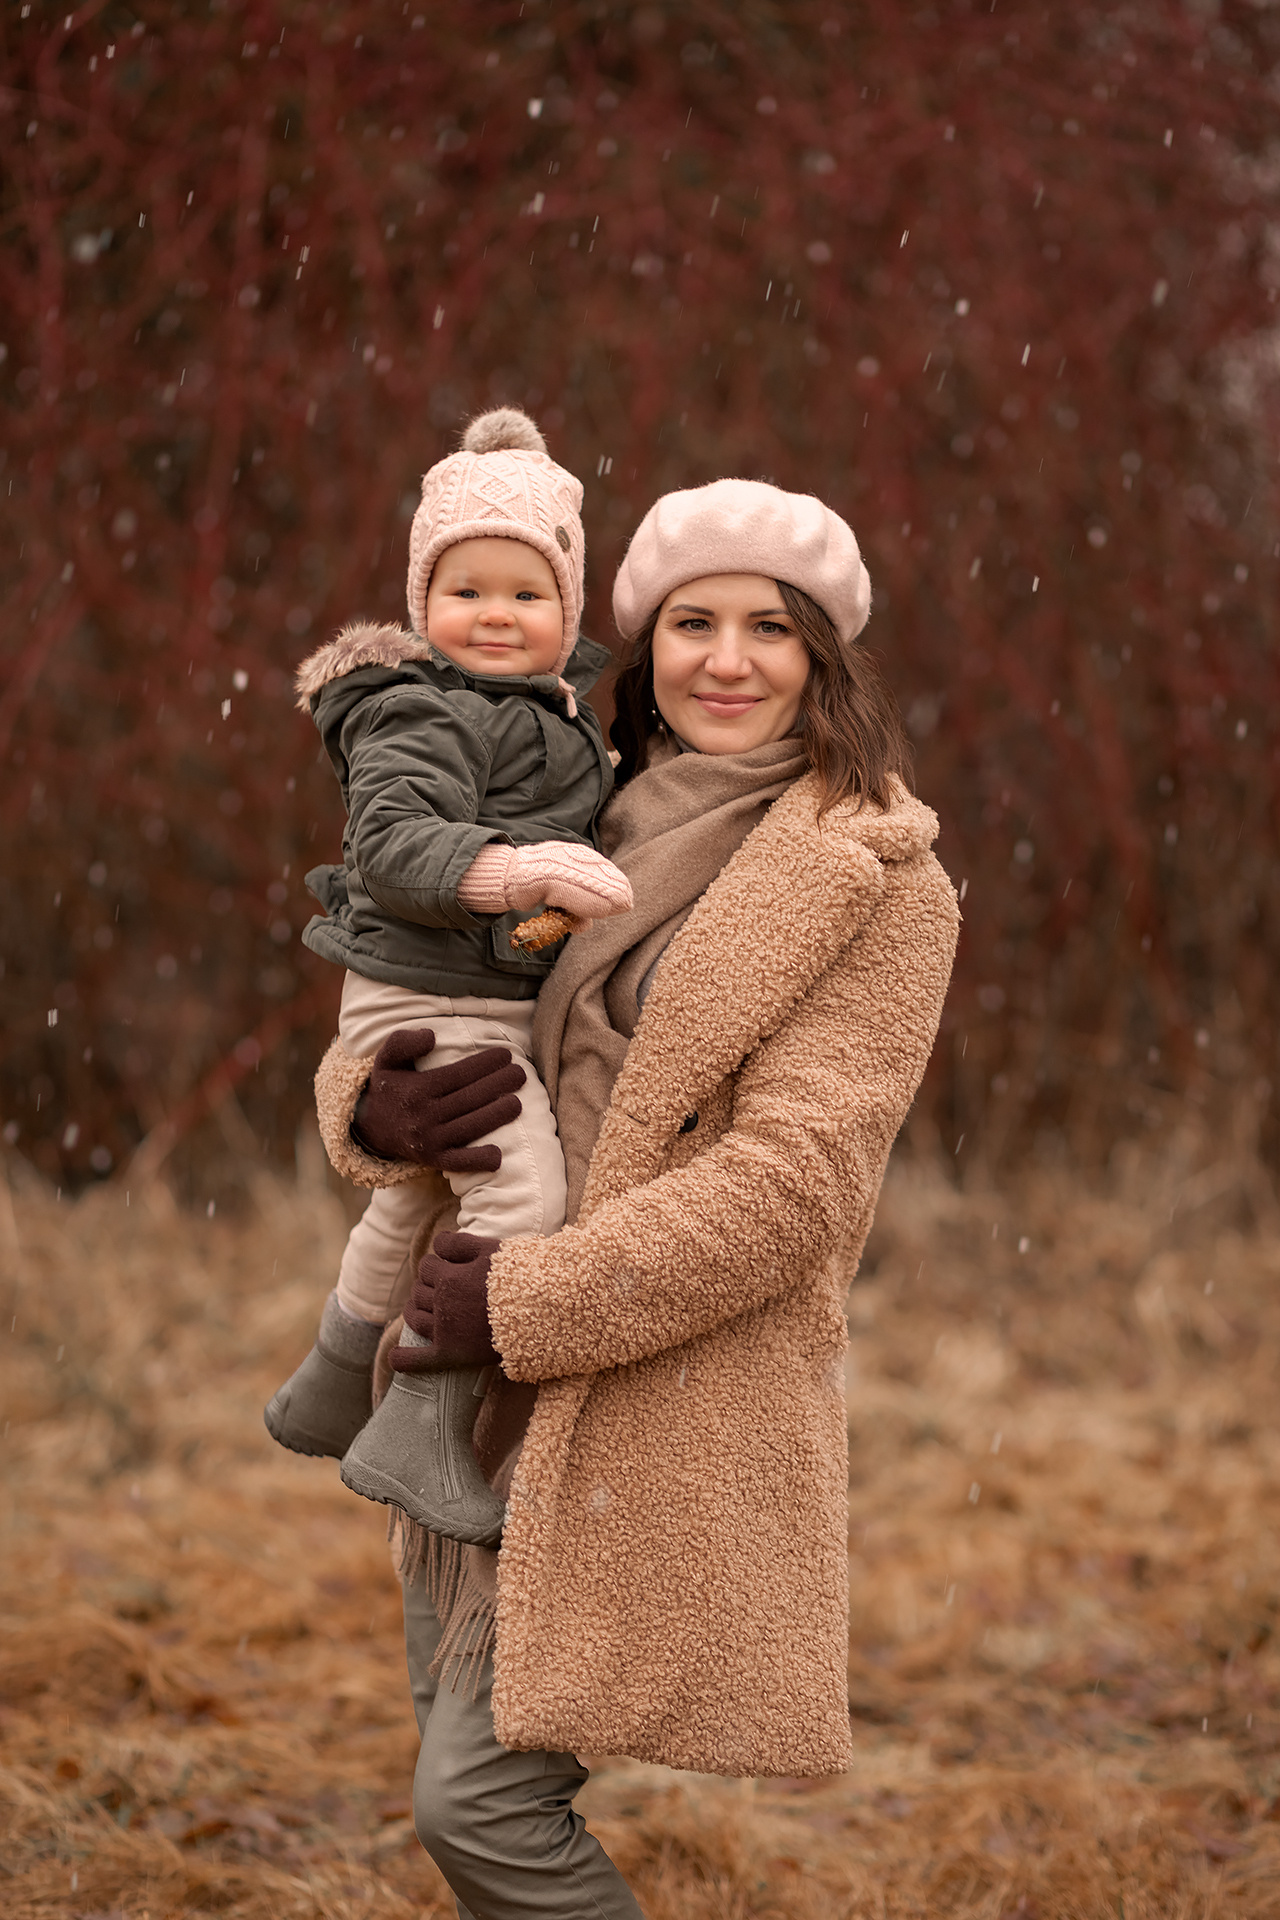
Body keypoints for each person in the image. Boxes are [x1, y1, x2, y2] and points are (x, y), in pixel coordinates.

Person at [315, 478, 960, 1918]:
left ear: (825, 658)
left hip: (649, 1389)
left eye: (769, 629)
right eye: (693, 623)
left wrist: (525, 1301)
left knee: (478, 1805)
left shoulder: (876, 880)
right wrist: (373, 1104)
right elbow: (428, 987)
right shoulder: (576, 801)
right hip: (463, 1386)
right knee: (455, 1768)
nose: (727, 659)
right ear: (644, 645)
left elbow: (794, 1190)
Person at [265, 408, 633, 1546]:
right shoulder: (426, 705)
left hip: (458, 988)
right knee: (523, 1194)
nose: (494, 616)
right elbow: (389, 839)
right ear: (423, 603)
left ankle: (332, 1378)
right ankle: (420, 1425)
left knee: (419, 1190)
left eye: (525, 595)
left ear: (566, 610)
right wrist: (513, 871)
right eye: (464, 590)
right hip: (432, 993)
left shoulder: (550, 711)